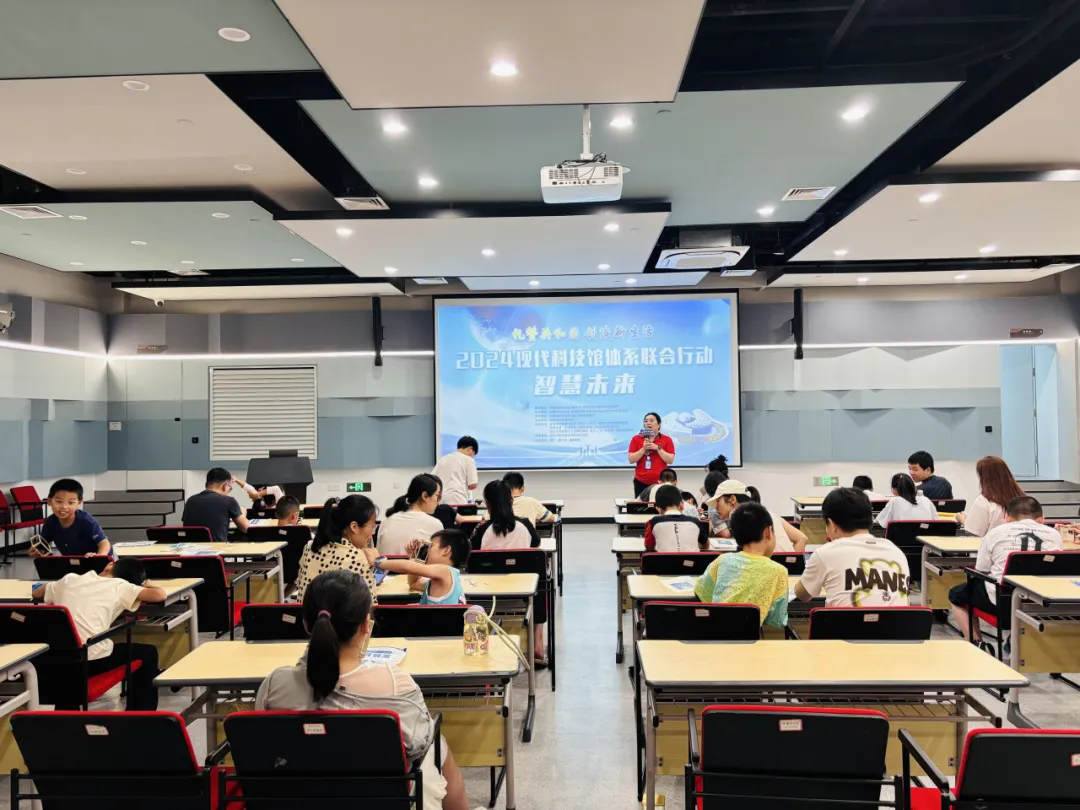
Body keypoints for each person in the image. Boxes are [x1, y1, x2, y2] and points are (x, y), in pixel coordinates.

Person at [255, 570, 468, 810]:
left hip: (298, 800)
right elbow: (419, 744)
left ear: (305, 623)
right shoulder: (395, 683)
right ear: (366, 624)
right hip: (380, 801)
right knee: (437, 744)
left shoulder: (274, 684)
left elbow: (263, 747)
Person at [32, 558, 166, 710]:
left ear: (109, 568)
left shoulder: (69, 579)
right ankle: (139, 718)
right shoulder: (121, 586)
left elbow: (37, 593)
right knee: (148, 653)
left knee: (71, 639)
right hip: (89, 662)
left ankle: (66, 712)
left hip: (51, 662)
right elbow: (159, 595)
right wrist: (146, 583)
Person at [949, 496, 1062, 640]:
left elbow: (982, 569)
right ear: (1041, 519)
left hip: (1003, 603)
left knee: (956, 594)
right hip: (1043, 603)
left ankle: (976, 642)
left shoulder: (996, 532)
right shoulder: (1054, 534)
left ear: (1007, 518)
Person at [795, 488, 910, 607]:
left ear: (832, 525)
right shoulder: (896, 552)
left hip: (845, 620)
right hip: (897, 620)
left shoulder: (825, 553)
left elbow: (802, 595)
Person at [694, 502, 789, 628]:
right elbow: (777, 619)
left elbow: (702, 593)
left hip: (715, 633)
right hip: (750, 637)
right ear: (768, 532)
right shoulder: (779, 571)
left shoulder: (722, 560)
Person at [293, 495, 379, 604]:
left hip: (307, 615)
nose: (372, 533)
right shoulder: (359, 558)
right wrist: (376, 564)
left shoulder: (309, 548)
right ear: (354, 527)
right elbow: (370, 607)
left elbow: (300, 587)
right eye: (372, 527)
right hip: (340, 616)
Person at [369, 529, 471, 606]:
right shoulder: (437, 580)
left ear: (446, 550)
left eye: (430, 546)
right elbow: (414, 583)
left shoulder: (445, 571)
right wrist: (415, 557)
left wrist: (378, 563)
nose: (426, 550)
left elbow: (407, 567)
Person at [704, 480, 806, 552]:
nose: (716, 507)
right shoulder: (769, 513)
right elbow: (802, 538)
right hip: (782, 570)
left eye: (718, 501)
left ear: (732, 499)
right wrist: (792, 564)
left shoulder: (737, 515)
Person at [34, 478, 111, 558]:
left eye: (71, 503)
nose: (64, 507)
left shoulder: (86, 521)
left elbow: (104, 543)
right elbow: (42, 544)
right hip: (73, 561)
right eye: (59, 501)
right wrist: (37, 550)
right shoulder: (50, 522)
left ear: (79, 503)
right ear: (49, 501)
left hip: (101, 560)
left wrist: (99, 557)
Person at [956, 456, 1025, 537]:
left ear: (984, 478)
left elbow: (974, 533)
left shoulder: (984, 501)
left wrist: (963, 520)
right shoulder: (1023, 500)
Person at [379, 474, 444, 556]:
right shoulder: (434, 524)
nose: (438, 502)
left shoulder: (386, 521)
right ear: (425, 496)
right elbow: (438, 559)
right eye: (438, 496)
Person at [182, 467, 249, 543]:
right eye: (229, 487)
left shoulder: (191, 500)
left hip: (192, 548)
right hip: (217, 548)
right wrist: (242, 512)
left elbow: (186, 526)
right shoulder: (228, 500)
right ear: (225, 486)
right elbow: (245, 528)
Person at [472, 481, 540, 550]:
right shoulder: (526, 524)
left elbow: (471, 550)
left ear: (487, 504)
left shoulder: (481, 529)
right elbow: (536, 543)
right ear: (512, 500)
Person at [644, 485, 708, 552]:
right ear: (682, 505)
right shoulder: (695, 522)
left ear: (659, 509)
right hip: (692, 559)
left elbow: (649, 547)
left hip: (664, 559)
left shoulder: (653, 522)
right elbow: (706, 546)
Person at [627, 412, 676, 498]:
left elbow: (670, 460)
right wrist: (643, 449)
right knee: (641, 505)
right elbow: (631, 460)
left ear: (659, 424)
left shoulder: (667, 439)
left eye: (651, 421)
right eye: (646, 421)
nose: (648, 423)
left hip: (660, 482)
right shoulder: (636, 438)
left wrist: (657, 448)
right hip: (640, 481)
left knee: (660, 504)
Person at [431, 436, 479, 505]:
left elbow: (432, 480)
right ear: (470, 449)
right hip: (458, 500)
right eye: (473, 454)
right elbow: (472, 485)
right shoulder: (469, 460)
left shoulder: (443, 459)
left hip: (441, 500)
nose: (472, 456)